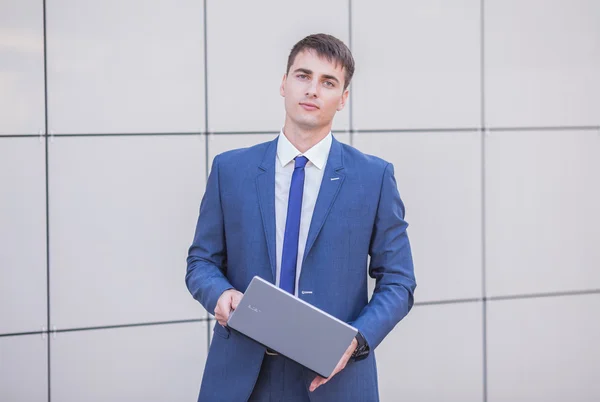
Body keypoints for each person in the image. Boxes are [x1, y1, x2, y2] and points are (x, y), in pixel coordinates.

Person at [186, 33, 416, 402]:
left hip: (333, 380)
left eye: (328, 82)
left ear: (342, 99)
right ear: (283, 83)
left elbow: (400, 282)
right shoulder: (231, 170)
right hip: (242, 378)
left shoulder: (374, 178)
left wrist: (354, 342)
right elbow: (201, 260)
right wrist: (220, 294)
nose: (312, 90)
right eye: (303, 76)